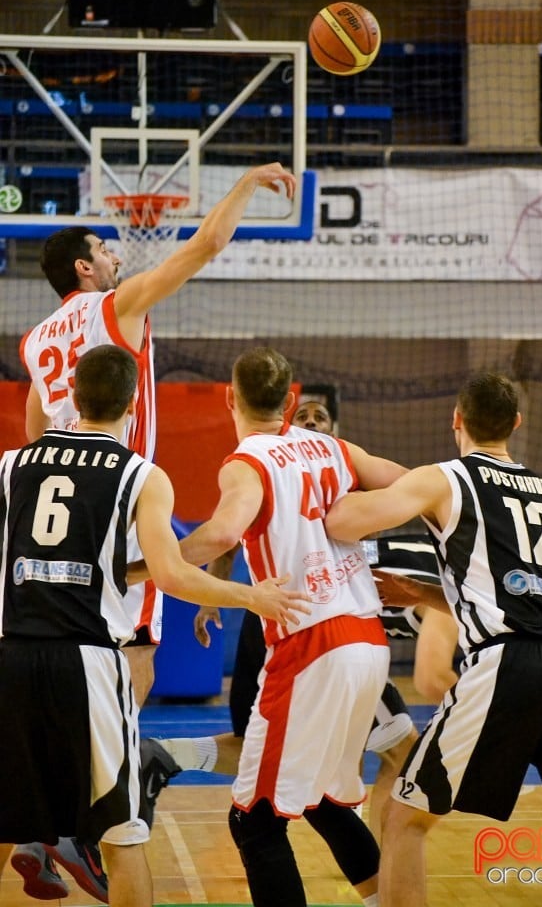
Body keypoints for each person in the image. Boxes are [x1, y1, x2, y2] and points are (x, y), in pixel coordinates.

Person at [12, 161, 296, 899]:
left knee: (66, 651)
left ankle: (50, 817)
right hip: (116, 495)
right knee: (130, 662)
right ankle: (87, 817)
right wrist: (245, 184)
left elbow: (36, 422)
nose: (116, 254)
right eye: (106, 248)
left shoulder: (36, 338)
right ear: (84, 266)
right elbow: (203, 247)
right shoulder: (114, 308)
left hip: (51, 498)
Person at [0, 345, 309, 907]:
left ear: (71, 394)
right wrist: (251, 596)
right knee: (123, 836)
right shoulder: (140, 475)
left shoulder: (11, 464)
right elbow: (172, 575)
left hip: (11, 655)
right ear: (135, 402)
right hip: (88, 662)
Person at [325, 370, 542, 907]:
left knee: (403, 819)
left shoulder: (443, 478)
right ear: (515, 423)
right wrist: (425, 595)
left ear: (457, 420)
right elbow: (525, 597)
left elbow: (343, 523)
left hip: (508, 666)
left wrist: (330, 467)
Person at [173, 347, 409, 907]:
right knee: (324, 799)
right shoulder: (334, 448)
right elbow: (412, 484)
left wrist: (147, 565)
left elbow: (224, 532)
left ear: (230, 398)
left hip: (311, 641)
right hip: (368, 641)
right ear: (292, 400)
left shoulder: (246, 461)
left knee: (253, 821)